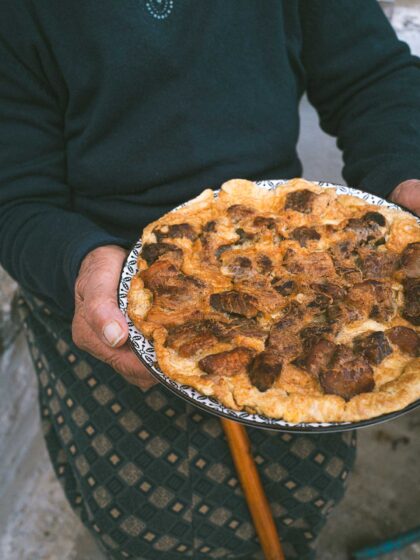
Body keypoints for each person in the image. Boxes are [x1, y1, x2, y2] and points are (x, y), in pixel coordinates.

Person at [1, 1, 419, 558]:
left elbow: (369, 76)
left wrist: (404, 173)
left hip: (290, 257)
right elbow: (18, 194)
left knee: (299, 494)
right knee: (162, 529)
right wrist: (80, 262)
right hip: (99, 285)